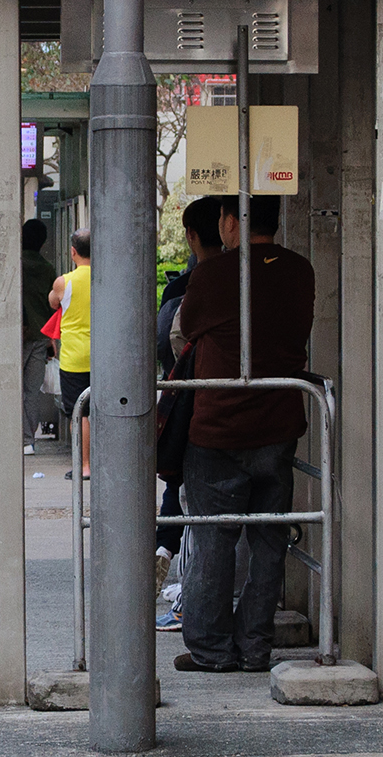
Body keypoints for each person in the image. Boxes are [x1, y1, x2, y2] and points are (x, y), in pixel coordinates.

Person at [173, 194, 314, 674]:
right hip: (279, 423)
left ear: (231, 222)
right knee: (270, 538)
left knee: (213, 539)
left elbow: (188, 326)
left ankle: (211, 649)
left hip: (218, 426)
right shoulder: (301, 270)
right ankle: (255, 646)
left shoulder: (213, 274)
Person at [153, 195, 226, 627]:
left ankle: (186, 600)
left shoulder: (190, 285)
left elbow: (174, 340)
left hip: (196, 412)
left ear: (192, 235)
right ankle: (168, 558)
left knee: (191, 500)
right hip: (244, 412)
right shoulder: (247, 276)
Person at [48, 229, 92, 479]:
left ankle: (84, 465)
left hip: (74, 357)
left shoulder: (64, 282)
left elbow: (53, 301)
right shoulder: (104, 277)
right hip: (103, 355)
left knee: (81, 412)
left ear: (73, 252)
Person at [21, 219, 60, 445]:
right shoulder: (47, 269)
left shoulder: (15, 265)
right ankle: (28, 440)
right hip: (40, 337)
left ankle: (13, 437)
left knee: (13, 389)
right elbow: (52, 306)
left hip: (15, 336)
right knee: (31, 391)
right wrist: (51, 339)